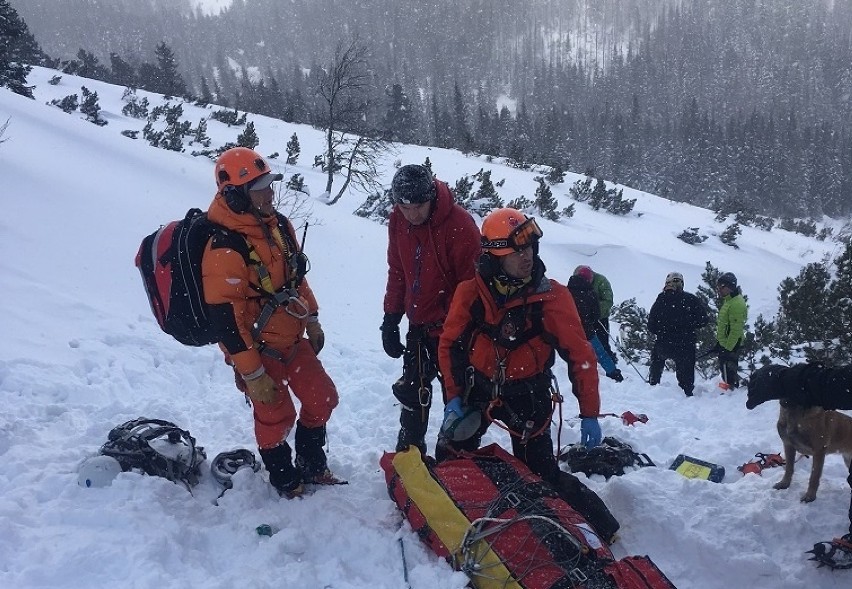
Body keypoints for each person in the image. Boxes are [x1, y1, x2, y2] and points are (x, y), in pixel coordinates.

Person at [436, 207, 619, 543]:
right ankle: (457, 513)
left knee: (541, 474)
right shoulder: (472, 293)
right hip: (479, 391)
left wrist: (590, 413)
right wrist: (454, 397)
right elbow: (449, 346)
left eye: (530, 248)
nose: (527, 256)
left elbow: (581, 357)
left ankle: (603, 527)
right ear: (493, 255)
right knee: (451, 455)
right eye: (516, 251)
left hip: (529, 394)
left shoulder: (553, 297)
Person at [201, 147, 339, 498]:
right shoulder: (224, 247)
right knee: (276, 417)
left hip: (292, 340)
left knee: (322, 398)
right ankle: (284, 480)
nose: (270, 192)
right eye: (260, 187)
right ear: (235, 195)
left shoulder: (278, 226)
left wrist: (313, 318)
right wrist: (252, 373)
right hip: (258, 352)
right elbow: (225, 323)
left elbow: (296, 280)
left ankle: (311, 464)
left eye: (268, 184)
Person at [380, 164, 480, 454]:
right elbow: (397, 270)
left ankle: (455, 453)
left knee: (458, 395)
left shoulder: (460, 226)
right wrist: (391, 318)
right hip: (419, 325)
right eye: (404, 207)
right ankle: (410, 447)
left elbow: (472, 287)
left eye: (418, 207)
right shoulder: (398, 220)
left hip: (456, 330)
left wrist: (453, 326)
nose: (411, 214)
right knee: (413, 391)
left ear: (432, 197)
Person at [747, 363, 852, 551]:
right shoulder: (787, 413)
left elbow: (819, 450)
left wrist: (812, 489)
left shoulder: (818, 416)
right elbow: (788, 442)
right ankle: (787, 477)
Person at [647, 272, 709, 396]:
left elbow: (651, 325)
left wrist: (662, 331)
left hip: (664, 342)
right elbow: (703, 320)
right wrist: (689, 325)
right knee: (685, 371)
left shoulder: (661, 299)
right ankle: (687, 391)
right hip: (685, 343)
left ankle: (653, 385)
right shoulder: (690, 299)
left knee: (657, 361)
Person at [566, 273, 624, 382]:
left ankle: (576, 373)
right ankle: (613, 373)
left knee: (572, 353)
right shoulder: (590, 293)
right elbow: (596, 315)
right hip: (586, 329)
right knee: (600, 352)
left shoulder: (566, 292)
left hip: (569, 329)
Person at [574, 265, 617, 363]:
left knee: (603, 341)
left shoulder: (602, 281)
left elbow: (608, 301)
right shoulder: (577, 278)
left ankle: (610, 362)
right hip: (585, 316)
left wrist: (594, 310)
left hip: (600, 317)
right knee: (585, 339)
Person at [714, 271, 747, 389]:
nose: (719, 289)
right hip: (726, 344)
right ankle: (730, 388)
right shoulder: (729, 301)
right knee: (725, 369)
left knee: (729, 369)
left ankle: (731, 391)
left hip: (732, 345)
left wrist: (728, 348)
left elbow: (736, 330)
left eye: (721, 286)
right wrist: (720, 342)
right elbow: (724, 325)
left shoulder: (736, 303)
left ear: (730, 287)